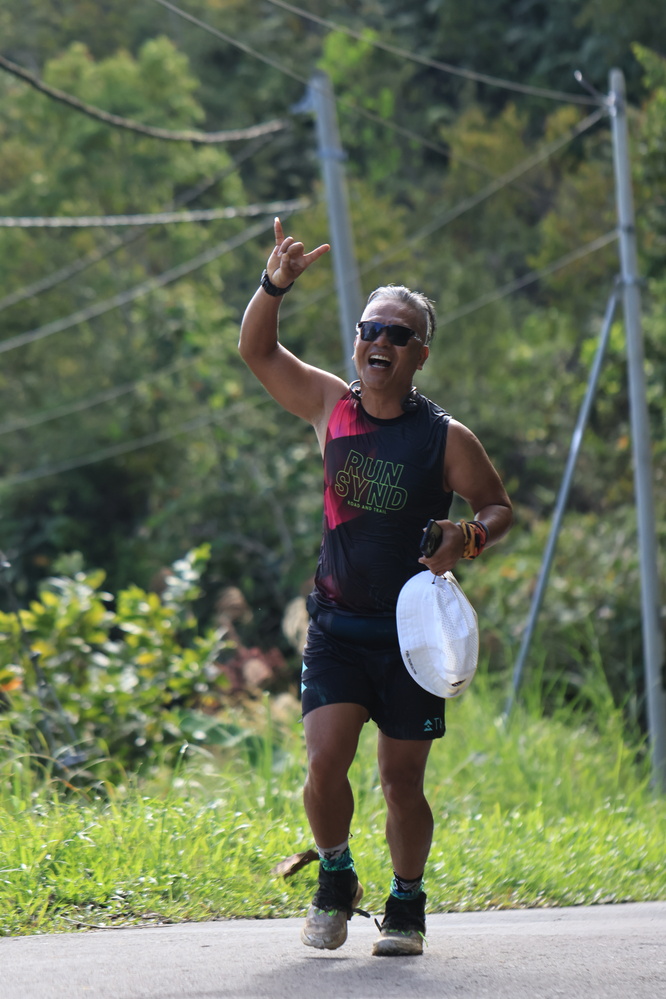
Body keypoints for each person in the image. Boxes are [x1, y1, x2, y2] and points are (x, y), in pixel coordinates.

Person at [239, 218, 512, 957]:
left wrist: (468, 537)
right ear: (357, 341)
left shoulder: (444, 437)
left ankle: (407, 900)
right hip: (336, 625)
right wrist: (274, 284)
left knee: (400, 781)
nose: (379, 341)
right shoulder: (331, 408)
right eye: (369, 329)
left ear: (420, 352)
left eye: (398, 333)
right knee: (324, 762)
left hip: (411, 639)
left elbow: (496, 506)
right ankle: (336, 876)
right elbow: (256, 350)